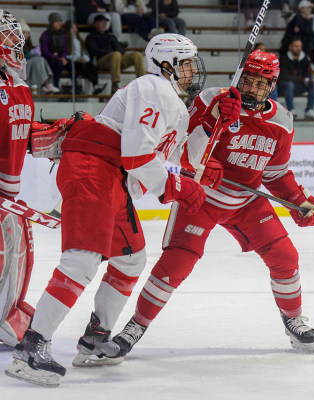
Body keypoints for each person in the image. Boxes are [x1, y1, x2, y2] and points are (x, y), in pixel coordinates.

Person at [5, 33, 241, 388]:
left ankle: (95, 338)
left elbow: (182, 158)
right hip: (93, 168)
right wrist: (177, 187)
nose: (194, 72)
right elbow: (137, 155)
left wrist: (212, 125)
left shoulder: (172, 103)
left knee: (130, 258)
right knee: (82, 260)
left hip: (111, 177)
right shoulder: (153, 88)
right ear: (167, 65)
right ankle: (31, 349)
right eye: (187, 64)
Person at [99, 50, 314, 363]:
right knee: (175, 265)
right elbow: (176, 143)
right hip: (201, 197)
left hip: (246, 203)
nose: (251, 88)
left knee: (286, 256)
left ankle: (294, 319)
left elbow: (276, 174)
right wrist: (199, 166)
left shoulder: (282, 122)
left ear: (272, 85)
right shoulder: (212, 99)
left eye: (261, 83)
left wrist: (299, 202)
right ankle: (135, 327)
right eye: (248, 79)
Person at [0, 10, 36, 346]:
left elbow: (23, 133)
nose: (18, 42)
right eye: (10, 36)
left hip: (9, 195)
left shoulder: (19, 86)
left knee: (17, 257)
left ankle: (5, 315)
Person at [86, 14, 146, 94]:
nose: (104, 24)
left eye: (105, 22)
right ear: (95, 24)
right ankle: (115, 83)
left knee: (137, 55)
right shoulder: (91, 37)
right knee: (116, 54)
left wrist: (116, 52)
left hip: (117, 59)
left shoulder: (111, 36)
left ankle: (143, 82)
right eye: (101, 22)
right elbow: (94, 51)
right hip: (102, 61)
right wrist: (110, 52)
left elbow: (120, 48)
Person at [277, 36, 314, 119]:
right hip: (284, 87)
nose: (298, 49)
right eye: (296, 46)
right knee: (289, 85)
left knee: (313, 85)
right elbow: (284, 77)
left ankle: (309, 110)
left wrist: (307, 80)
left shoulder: (304, 58)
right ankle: (290, 109)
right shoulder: (284, 59)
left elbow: (308, 73)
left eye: (300, 46)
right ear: (290, 47)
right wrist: (301, 79)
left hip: (297, 86)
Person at [64, 20, 107, 95]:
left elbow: (84, 52)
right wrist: (77, 58)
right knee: (84, 67)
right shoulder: (65, 40)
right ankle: (95, 84)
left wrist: (85, 58)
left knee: (91, 65)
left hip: (80, 61)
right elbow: (65, 55)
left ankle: (96, 83)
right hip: (72, 62)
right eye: (72, 28)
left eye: (75, 27)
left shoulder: (79, 40)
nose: (74, 30)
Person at [19, 18, 59, 94]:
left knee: (41, 59)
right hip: (21, 65)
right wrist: (31, 54)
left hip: (28, 64)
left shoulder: (27, 44)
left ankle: (45, 85)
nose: (27, 35)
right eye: (24, 32)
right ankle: (46, 84)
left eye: (28, 33)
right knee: (39, 60)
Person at [39, 12, 74, 90]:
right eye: (57, 22)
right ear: (52, 23)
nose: (59, 24)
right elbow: (45, 52)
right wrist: (56, 57)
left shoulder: (62, 35)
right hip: (49, 59)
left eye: (60, 22)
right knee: (58, 64)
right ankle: (56, 85)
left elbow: (65, 49)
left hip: (60, 58)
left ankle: (76, 87)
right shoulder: (45, 35)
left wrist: (63, 57)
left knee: (70, 63)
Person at [281, 0, 314, 66]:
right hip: (291, 42)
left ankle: (312, 62)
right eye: (307, 8)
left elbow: (308, 31)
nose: (309, 10)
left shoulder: (309, 19)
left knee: (313, 41)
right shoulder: (298, 18)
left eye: (310, 8)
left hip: (303, 41)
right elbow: (305, 30)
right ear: (301, 9)